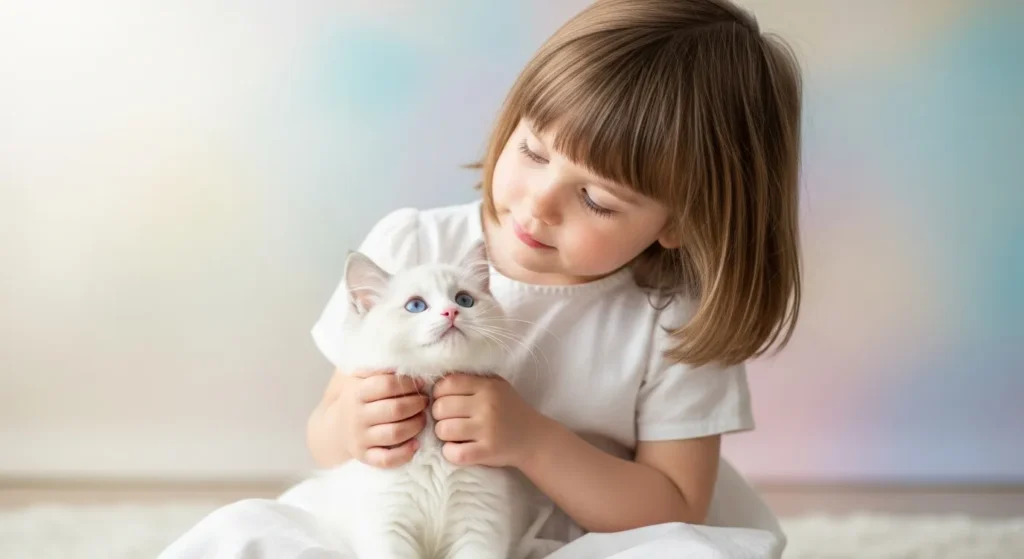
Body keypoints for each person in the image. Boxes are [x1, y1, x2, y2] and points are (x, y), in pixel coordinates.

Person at [161, 0, 802, 557]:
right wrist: (356, 426)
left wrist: (534, 443)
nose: (539, 202)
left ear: (680, 223)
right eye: (532, 152)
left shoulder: (672, 316)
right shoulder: (415, 244)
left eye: (598, 200)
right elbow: (326, 434)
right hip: (392, 523)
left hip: (589, 539)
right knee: (244, 535)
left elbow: (677, 505)